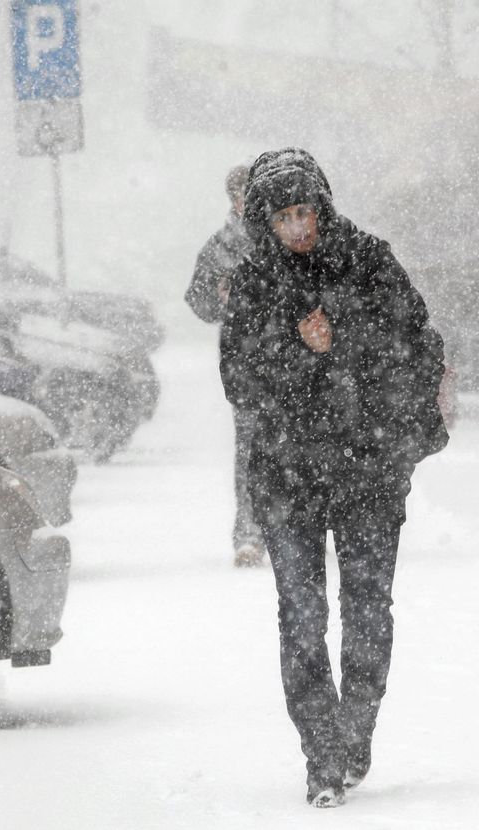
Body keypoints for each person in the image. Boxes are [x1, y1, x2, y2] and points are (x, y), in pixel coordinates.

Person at [219, 148, 448, 808]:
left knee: (368, 608)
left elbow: (416, 346)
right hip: (287, 474)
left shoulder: (369, 260)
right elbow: (240, 379)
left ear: (322, 207)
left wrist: (341, 344)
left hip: (367, 468)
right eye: (284, 216)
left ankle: (356, 730)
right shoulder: (255, 283)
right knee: (301, 614)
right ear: (266, 220)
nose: (299, 228)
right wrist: (300, 353)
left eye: (306, 212)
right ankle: (320, 751)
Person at [186, 164, 267, 568]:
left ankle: (299, 528)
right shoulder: (219, 247)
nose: (247, 202)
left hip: (298, 365)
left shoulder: (289, 238)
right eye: (241, 195)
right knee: (252, 451)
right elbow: (198, 301)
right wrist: (218, 297)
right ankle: (250, 534)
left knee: (303, 451)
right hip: (246, 365)